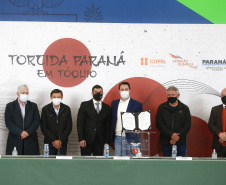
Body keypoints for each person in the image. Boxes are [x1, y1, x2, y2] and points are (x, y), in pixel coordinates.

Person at [5, 85, 40, 155]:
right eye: (23, 93)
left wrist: (27, 132)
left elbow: (37, 121)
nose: (25, 95)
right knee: (14, 164)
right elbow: (8, 122)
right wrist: (20, 132)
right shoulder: (10, 106)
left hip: (31, 142)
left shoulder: (33, 106)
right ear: (17, 94)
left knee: (31, 165)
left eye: (27, 93)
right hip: (15, 141)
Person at [156, 86, 191, 157]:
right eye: (169, 95)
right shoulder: (162, 107)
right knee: (167, 165)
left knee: (181, 165)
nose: (171, 96)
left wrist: (176, 137)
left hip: (180, 142)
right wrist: (171, 135)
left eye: (173, 95)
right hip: (166, 141)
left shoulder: (185, 108)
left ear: (178, 95)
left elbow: (187, 125)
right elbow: (159, 124)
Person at [77, 85, 111, 156]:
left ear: (102, 93)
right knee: (85, 163)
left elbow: (108, 126)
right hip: (86, 140)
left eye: (100, 92)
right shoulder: (84, 105)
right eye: (96, 92)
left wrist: (107, 141)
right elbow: (80, 123)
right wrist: (81, 139)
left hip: (100, 141)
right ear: (92, 93)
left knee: (98, 164)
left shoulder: (107, 107)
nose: (98, 93)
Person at [110, 82, 143, 156]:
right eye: (122, 89)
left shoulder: (137, 104)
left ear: (129, 90)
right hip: (118, 137)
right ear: (119, 91)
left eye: (126, 89)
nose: (124, 91)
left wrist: (139, 128)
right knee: (119, 162)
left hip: (133, 138)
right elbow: (112, 119)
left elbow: (140, 121)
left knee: (134, 161)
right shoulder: (114, 103)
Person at [41, 89, 72, 155]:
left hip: (62, 143)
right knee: (49, 164)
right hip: (49, 142)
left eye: (58, 97)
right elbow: (43, 127)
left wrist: (60, 141)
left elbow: (69, 127)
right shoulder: (45, 109)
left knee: (61, 164)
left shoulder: (66, 109)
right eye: (54, 97)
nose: (56, 99)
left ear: (62, 98)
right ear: (51, 98)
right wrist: (53, 141)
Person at [208, 88, 226, 157]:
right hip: (218, 146)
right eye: (223, 95)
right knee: (218, 167)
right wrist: (220, 134)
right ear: (221, 96)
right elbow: (211, 125)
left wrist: (224, 136)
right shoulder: (215, 109)